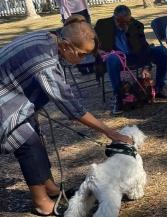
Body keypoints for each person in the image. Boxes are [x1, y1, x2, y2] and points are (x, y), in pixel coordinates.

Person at [0, 16, 133, 216]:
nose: (83, 60)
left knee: (36, 138)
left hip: (11, 92)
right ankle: (41, 202)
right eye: (81, 54)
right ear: (66, 46)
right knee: (28, 144)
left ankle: (51, 188)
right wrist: (109, 132)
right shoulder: (46, 61)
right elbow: (71, 107)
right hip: (4, 100)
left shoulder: (49, 37)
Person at [95, 5, 167, 115]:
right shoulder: (103, 24)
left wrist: (146, 66)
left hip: (136, 56)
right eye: (120, 22)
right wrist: (98, 51)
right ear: (115, 17)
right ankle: (119, 96)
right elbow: (93, 43)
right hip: (116, 57)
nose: (123, 25)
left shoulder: (136, 25)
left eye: (126, 22)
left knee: (161, 51)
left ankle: (160, 88)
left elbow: (143, 47)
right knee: (112, 59)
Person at [52, 0, 94, 75]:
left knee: (88, 39)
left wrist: (86, 12)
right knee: (76, 42)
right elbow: (58, 1)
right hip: (71, 15)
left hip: (83, 12)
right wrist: (67, 16)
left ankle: (91, 64)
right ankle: (81, 66)